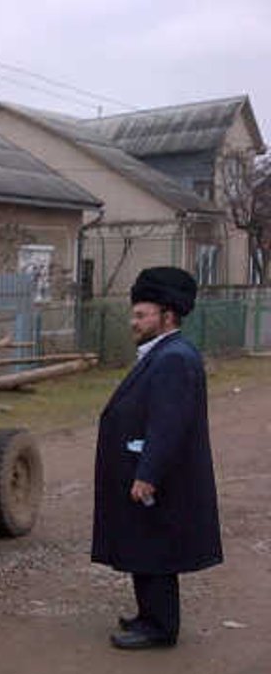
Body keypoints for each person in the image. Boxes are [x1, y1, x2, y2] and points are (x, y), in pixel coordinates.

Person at [92, 267, 222, 650]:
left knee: (156, 548)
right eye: (134, 314)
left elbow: (168, 425)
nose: (134, 322)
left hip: (158, 478)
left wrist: (148, 473)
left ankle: (161, 627)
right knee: (141, 544)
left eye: (141, 315)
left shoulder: (174, 358)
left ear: (167, 316)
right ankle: (148, 615)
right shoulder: (161, 353)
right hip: (144, 470)